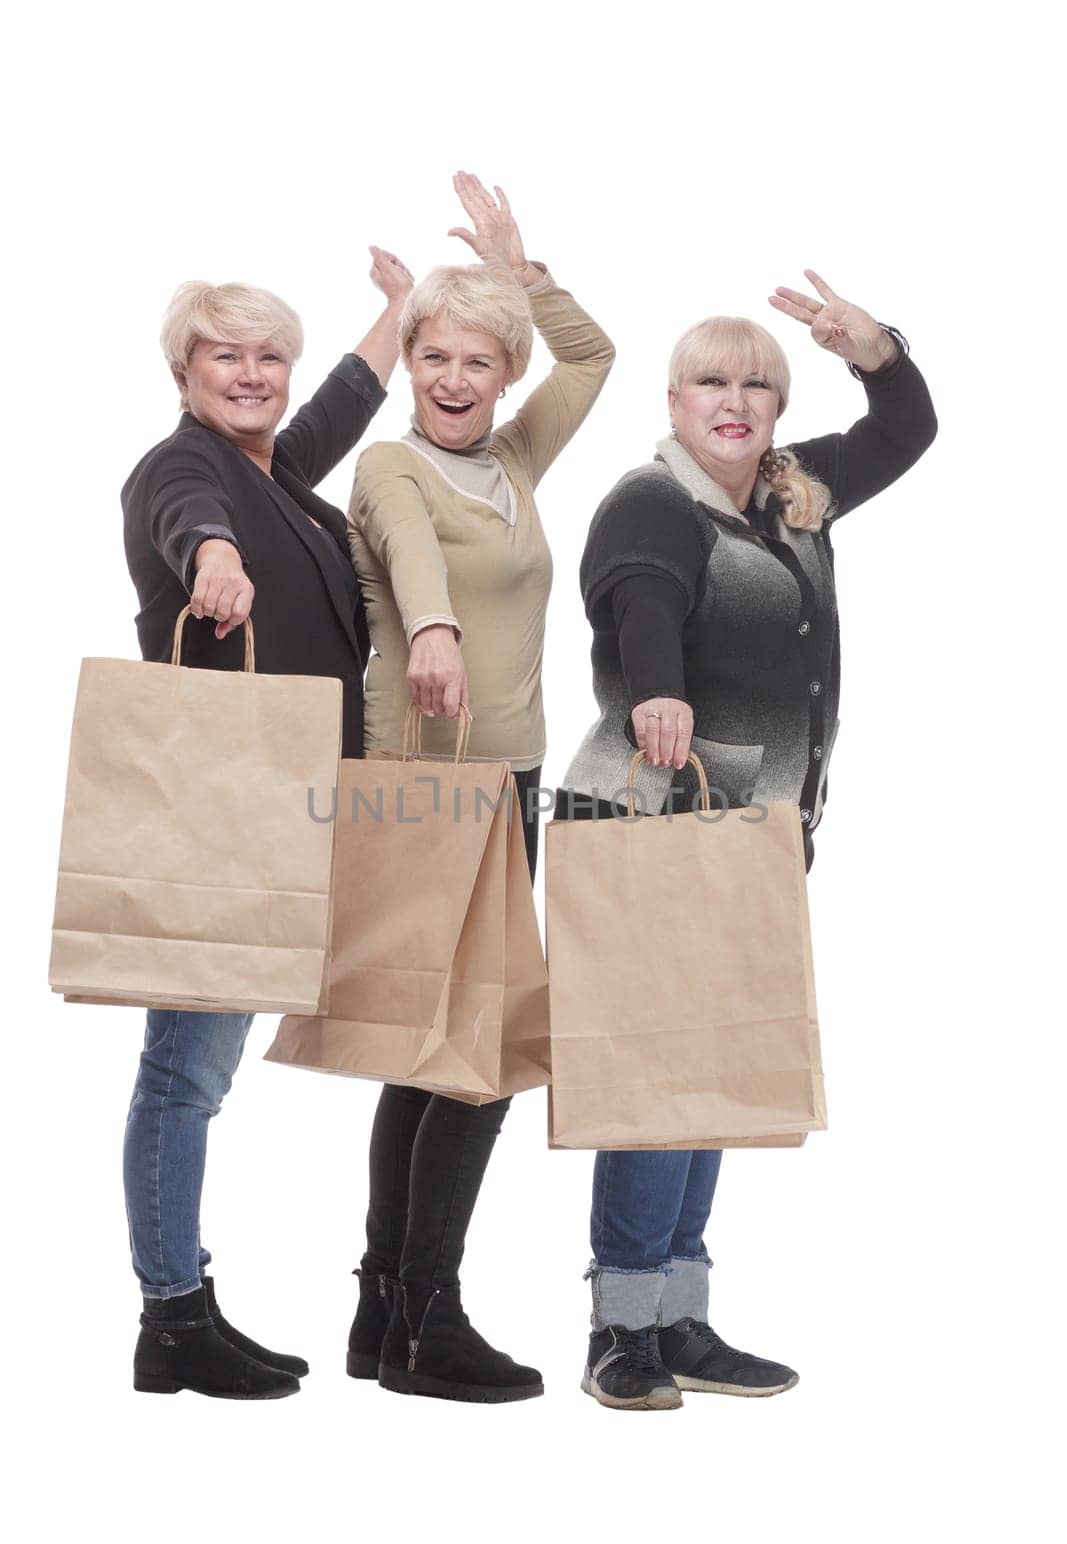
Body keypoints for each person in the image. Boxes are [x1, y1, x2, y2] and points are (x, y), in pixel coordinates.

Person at [555, 270, 938, 1409]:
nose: (734, 400)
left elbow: (907, 428)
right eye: (710, 381)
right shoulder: (648, 502)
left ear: (774, 405)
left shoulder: (791, 491)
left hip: (751, 827)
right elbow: (639, 598)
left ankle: (679, 1318)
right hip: (650, 820)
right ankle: (618, 1328)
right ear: (672, 399)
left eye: (755, 384)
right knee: (658, 1077)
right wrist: (655, 694)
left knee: (714, 1070)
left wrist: (871, 347)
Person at [120, 249, 414, 1398]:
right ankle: (171, 1315)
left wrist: (392, 316)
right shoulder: (182, 470)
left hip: (289, 810)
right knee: (184, 1074)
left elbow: (343, 400)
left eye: (268, 355)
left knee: (199, 1068)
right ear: (182, 367)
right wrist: (216, 562)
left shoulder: (279, 470)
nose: (250, 373)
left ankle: (179, 1307)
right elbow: (193, 519)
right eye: (224, 354)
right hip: (222, 817)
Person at [345, 172, 614, 1402]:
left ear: (501, 371)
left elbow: (594, 357)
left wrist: (519, 273)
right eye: (432, 356)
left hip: (507, 773)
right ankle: (426, 1318)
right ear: (409, 364)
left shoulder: (510, 455)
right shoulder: (392, 468)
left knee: (436, 1050)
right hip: (420, 775)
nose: (452, 380)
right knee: (475, 1052)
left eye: (475, 360)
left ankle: (382, 1310)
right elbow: (406, 556)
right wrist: (436, 628)